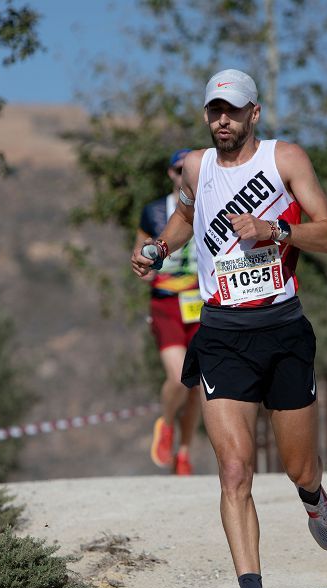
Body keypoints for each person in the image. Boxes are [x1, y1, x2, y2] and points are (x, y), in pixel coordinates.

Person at [132, 68, 327, 588]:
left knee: (299, 466)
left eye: (233, 110)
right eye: (214, 111)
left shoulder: (286, 159)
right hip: (221, 332)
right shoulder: (197, 168)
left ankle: (312, 499)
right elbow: (182, 217)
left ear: (254, 113)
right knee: (233, 469)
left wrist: (275, 230)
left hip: (282, 330)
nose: (222, 119)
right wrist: (156, 248)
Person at [135, 149, 203, 476]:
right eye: (179, 169)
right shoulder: (153, 212)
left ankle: (185, 453)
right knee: (178, 377)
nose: (184, 174)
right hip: (166, 302)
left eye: (189, 169)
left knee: (199, 384)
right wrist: (145, 265)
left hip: (203, 302)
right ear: (171, 174)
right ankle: (166, 421)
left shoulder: (210, 204)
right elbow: (140, 253)